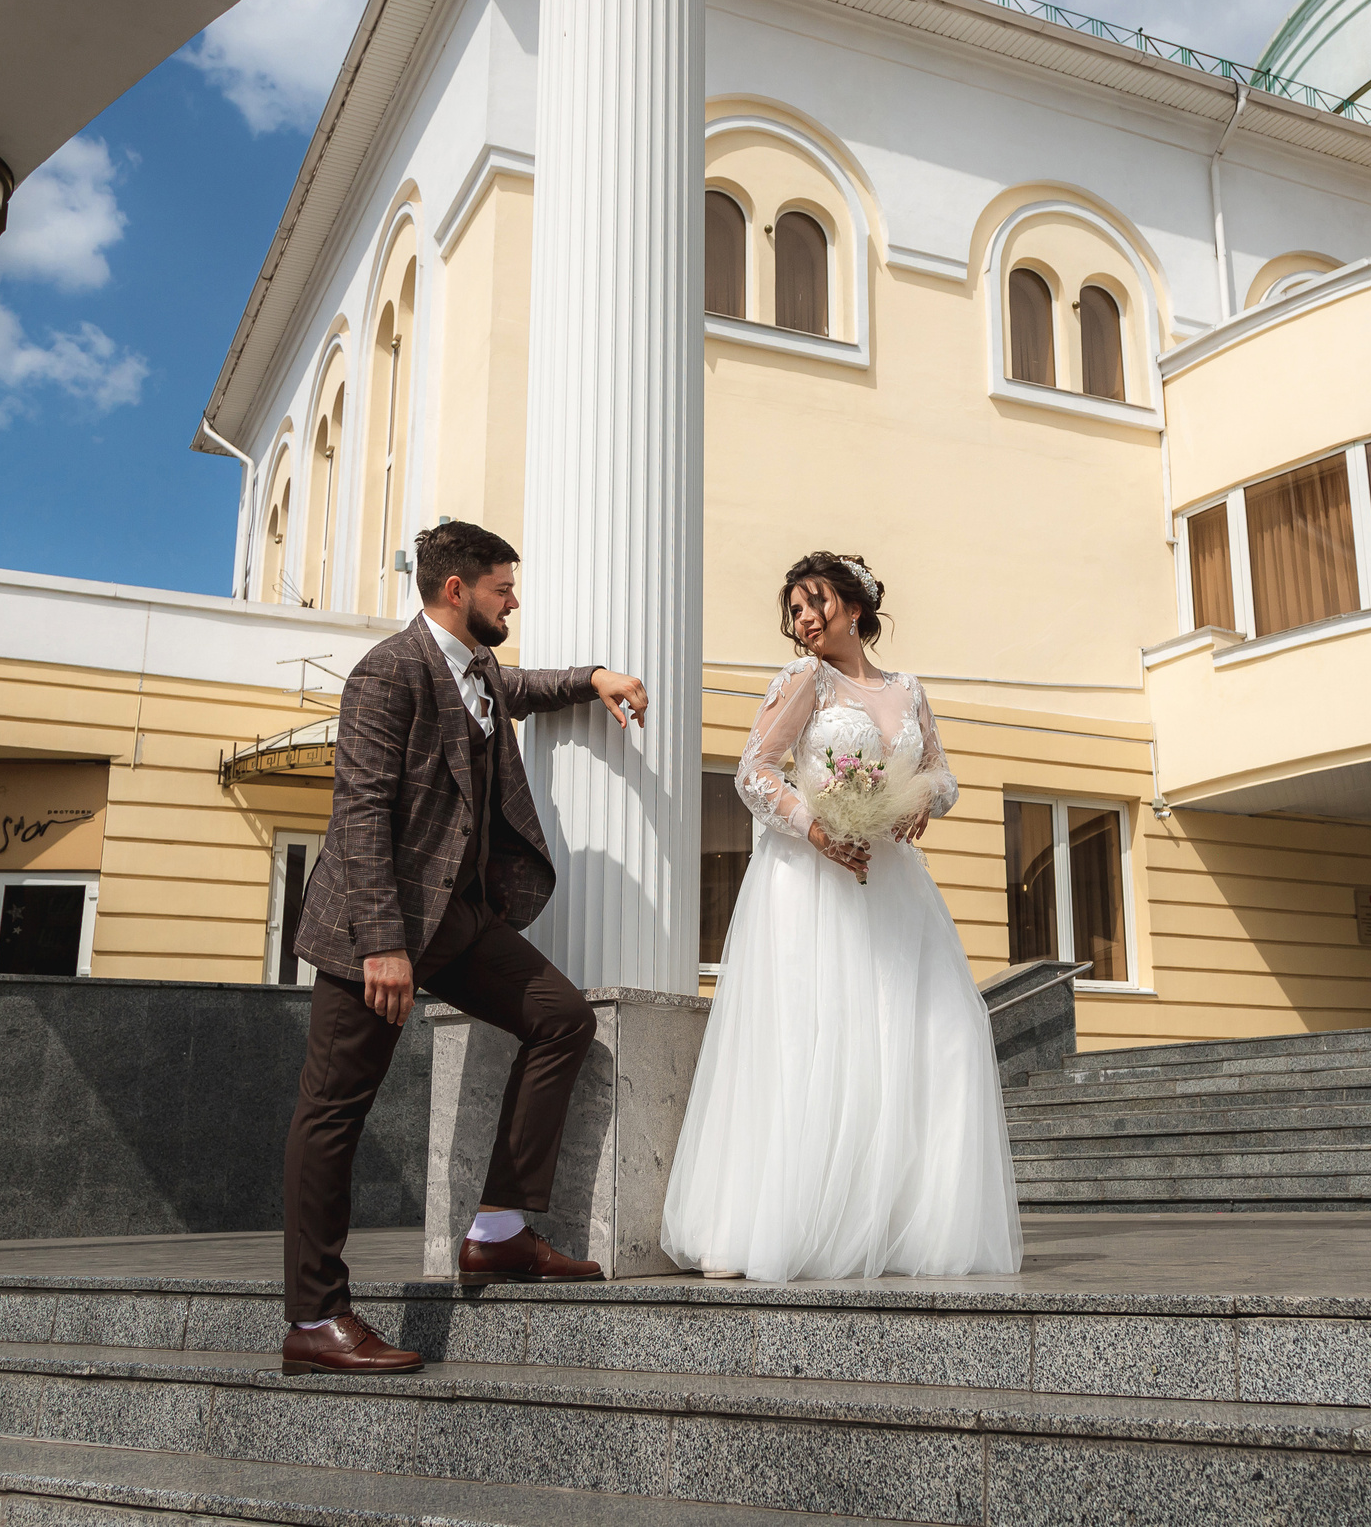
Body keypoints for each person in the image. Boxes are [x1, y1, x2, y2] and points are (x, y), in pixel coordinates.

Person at [279, 520, 649, 1376]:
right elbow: (360, 813)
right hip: (374, 932)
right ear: (457, 589)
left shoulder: (475, 666)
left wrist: (592, 678)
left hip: (459, 921)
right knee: (334, 1110)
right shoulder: (387, 673)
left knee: (561, 1020)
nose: (513, 599)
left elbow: (513, 685)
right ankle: (314, 1316)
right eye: (503, 587)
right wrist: (382, 945)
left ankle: (499, 1230)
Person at [660, 551, 1023, 1282]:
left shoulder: (908, 690)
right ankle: (775, 1221)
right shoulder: (806, 682)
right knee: (818, 1039)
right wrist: (816, 827)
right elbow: (753, 769)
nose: (803, 619)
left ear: (855, 607)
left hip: (893, 886)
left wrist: (927, 796)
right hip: (812, 880)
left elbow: (944, 772)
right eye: (793, 610)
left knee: (943, 1032)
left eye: (813, 602)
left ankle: (895, 1223)